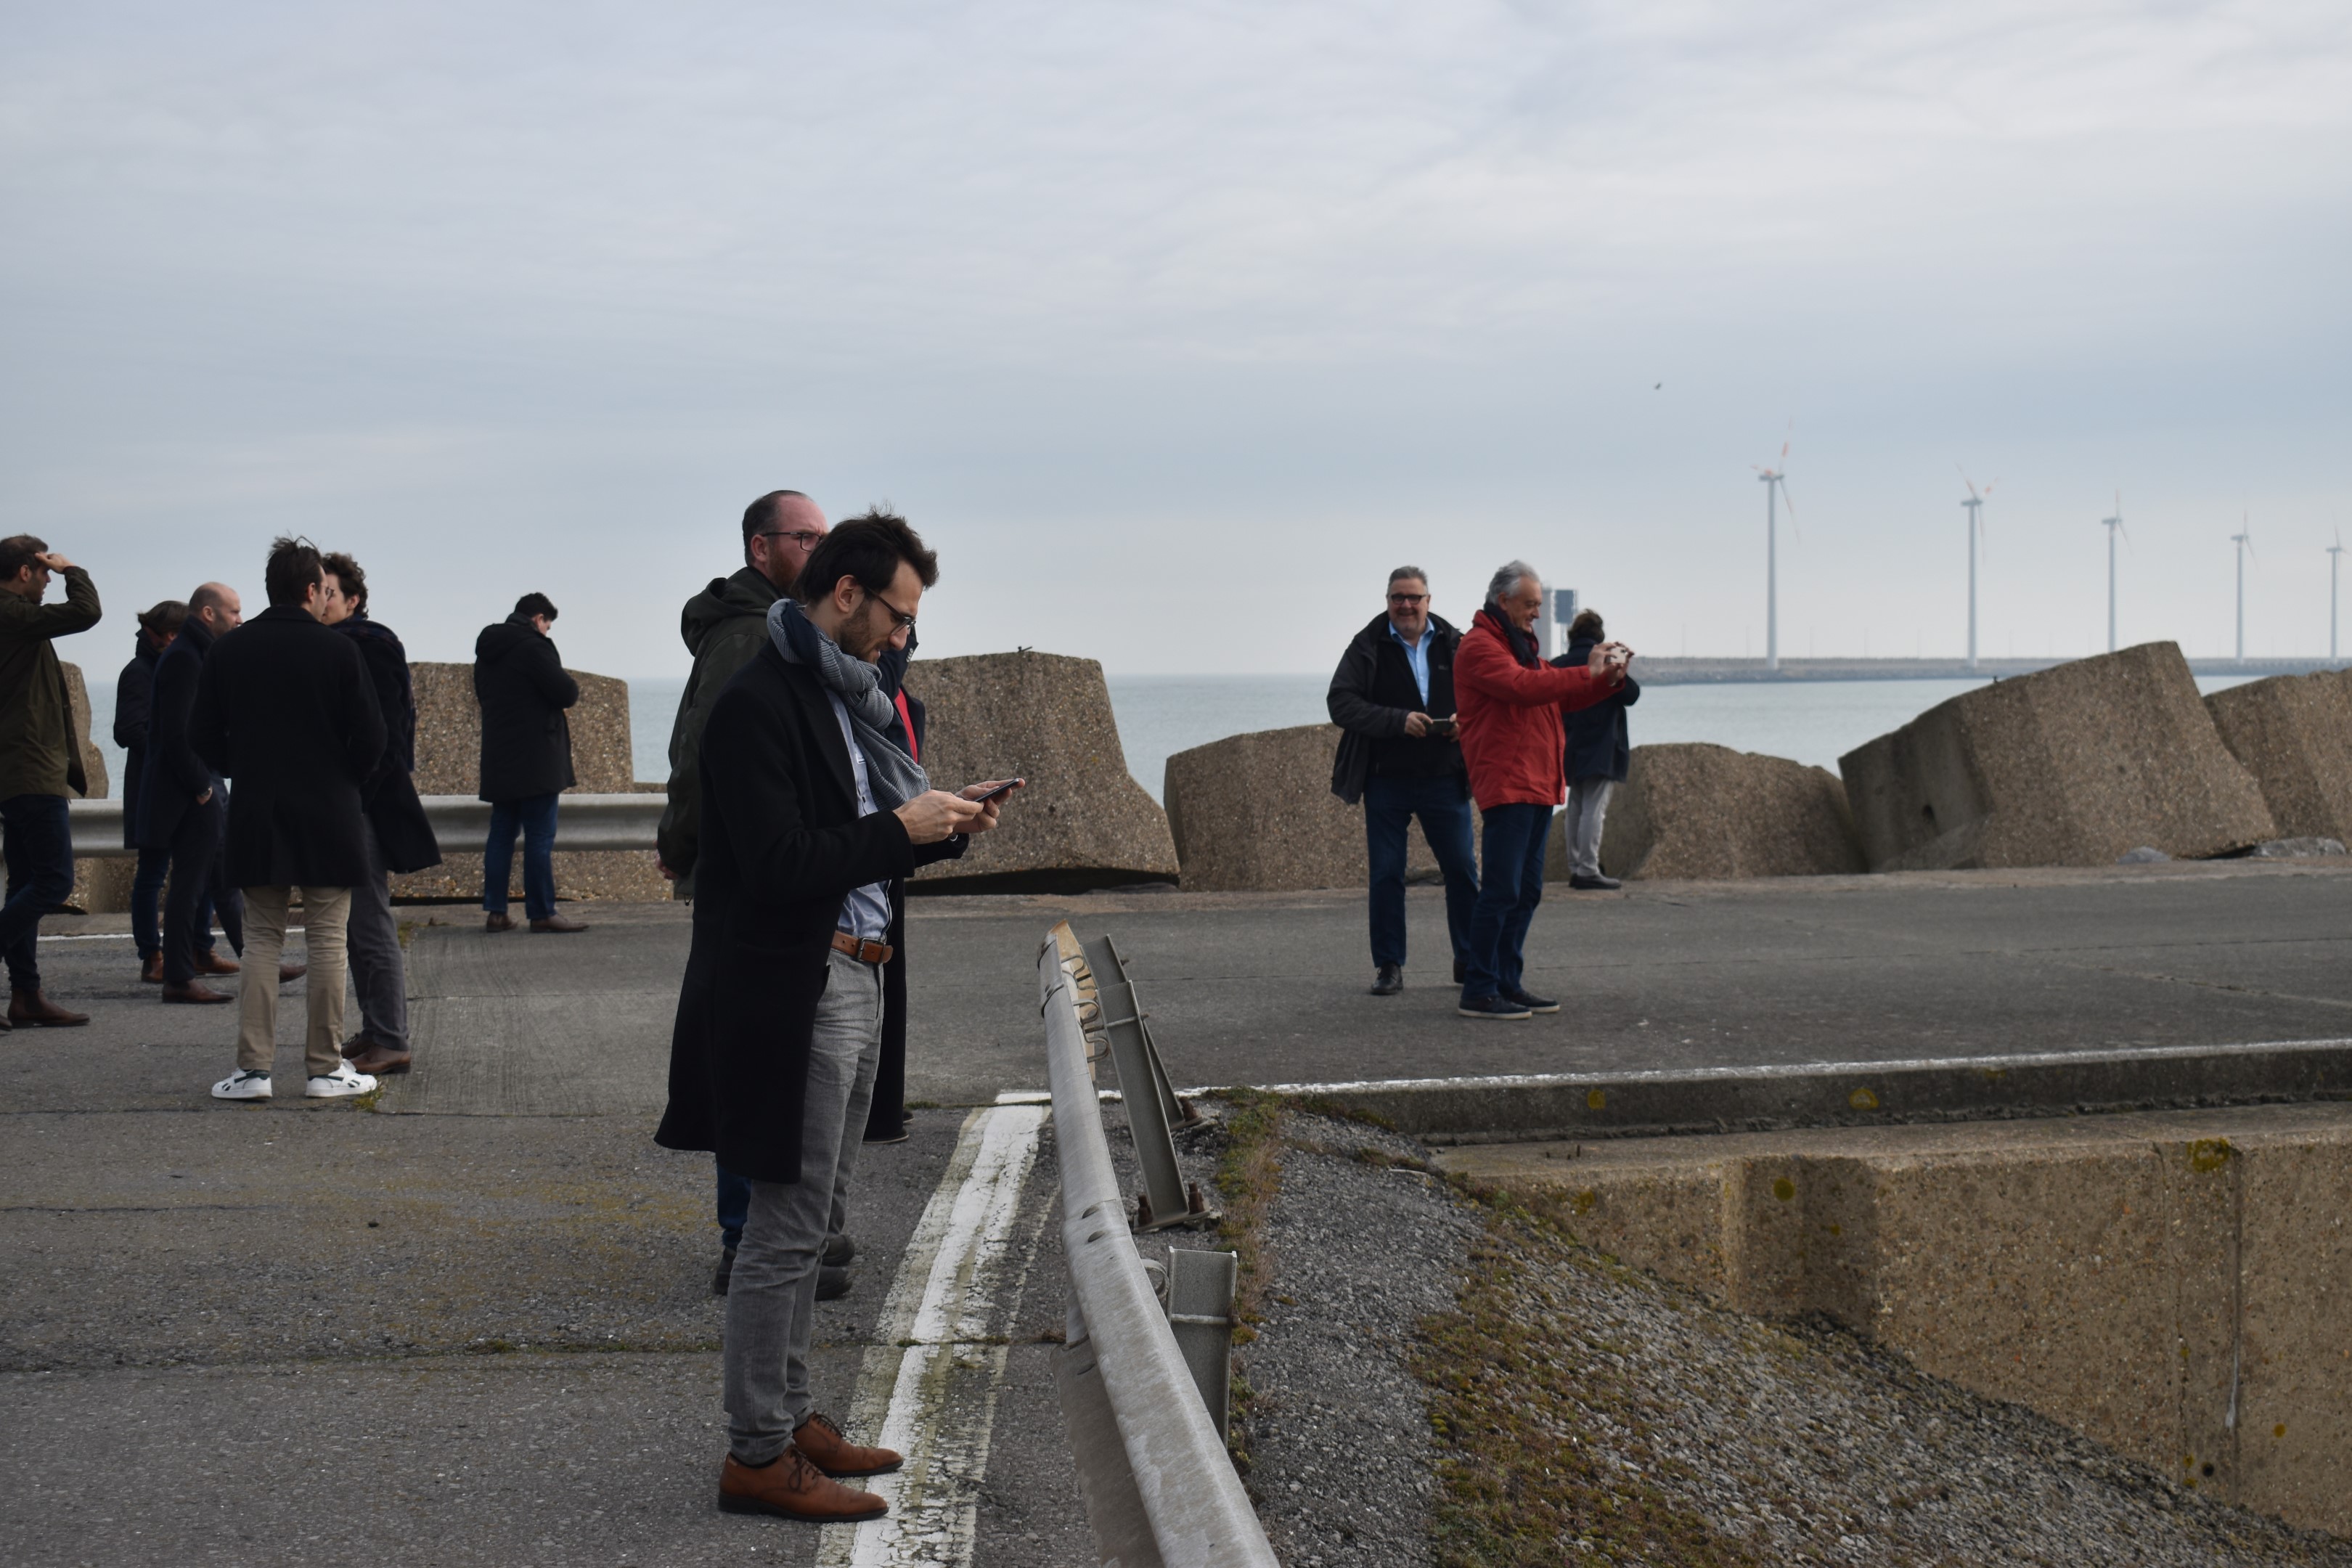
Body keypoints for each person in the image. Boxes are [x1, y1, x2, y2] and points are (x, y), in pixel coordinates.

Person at [655, 512, 1018, 1523]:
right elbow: (778, 865)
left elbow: (858, 842)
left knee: (817, 1220)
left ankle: (790, 1414)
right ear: (846, 594)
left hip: (858, 975)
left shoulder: (844, 696)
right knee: (781, 1230)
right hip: (798, 987)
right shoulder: (756, 701)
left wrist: (944, 827)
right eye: (898, 616)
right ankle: (756, 1453)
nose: (905, 637)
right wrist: (900, 828)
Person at [195, 537, 386, 1101]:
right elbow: (373, 738)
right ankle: (325, 1070)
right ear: (310, 590)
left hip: (258, 807)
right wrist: (344, 778)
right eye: (324, 588)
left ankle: (253, 1072)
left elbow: (200, 734)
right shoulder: (338, 651)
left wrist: (244, 767)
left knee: (261, 939)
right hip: (329, 809)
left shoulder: (229, 650)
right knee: (328, 939)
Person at [1453, 560, 1628, 1021]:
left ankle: (1506, 982)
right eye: (1530, 604)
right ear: (1503, 600)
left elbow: (1558, 694)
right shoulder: (1480, 647)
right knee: (1501, 890)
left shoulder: (1521, 648)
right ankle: (1479, 988)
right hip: (1509, 783)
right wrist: (1587, 671)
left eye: (1538, 605)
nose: (1536, 612)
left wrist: (1607, 679)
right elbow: (1523, 688)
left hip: (1536, 784)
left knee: (1526, 891)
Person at [1327, 565, 1479, 997]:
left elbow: (1485, 699)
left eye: (1414, 597)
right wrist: (1397, 721)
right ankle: (1389, 965)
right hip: (1386, 779)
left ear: (1429, 601)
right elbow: (1340, 702)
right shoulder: (1367, 644)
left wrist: (1465, 722)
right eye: (1398, 597)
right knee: (1387, 875)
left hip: (1444, 777)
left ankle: (1470, 959)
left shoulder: (1455, 643)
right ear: (1388, 601)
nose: (1406, 605)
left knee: (1462, 870)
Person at [320, 552, 439, 1075]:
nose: (321, 600)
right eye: (317, 591)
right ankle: (375, 1030)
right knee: (353, 925)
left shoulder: (370, 645)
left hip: (365, 803)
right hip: (351, 801)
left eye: (330, 592)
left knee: (369, 921)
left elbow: (385, 736)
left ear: (353, 600)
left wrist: (354, 795)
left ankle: (392, 1039)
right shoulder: (337, 646)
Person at [141, 583, 272, 1005]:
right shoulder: (185, 658)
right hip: (194, 790)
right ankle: (179, 978)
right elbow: (177, 733)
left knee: (223, 880)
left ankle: (260, 962)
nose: (240, 619)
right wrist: (201, 787)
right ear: (209, 613)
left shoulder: (198, 653)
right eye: (234, 612)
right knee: (189, 886)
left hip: (204, 784)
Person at [0, 534, 100, 1031]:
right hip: (31, 769)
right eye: (42, 572)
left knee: (24, 882)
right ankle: (26, 992)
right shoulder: (12, 614)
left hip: (19, 768)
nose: (46, 581)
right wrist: (70, 570)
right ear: (25, 572)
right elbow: (87, 612)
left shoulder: (18, 619)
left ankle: (26, 996)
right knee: (55, 880)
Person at [474, 592, 585, 934]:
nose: (547, 631)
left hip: (500, 757)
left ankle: (496, 913)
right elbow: (566, 692)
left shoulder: (488, 649)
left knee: (501, 835)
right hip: (537, 759)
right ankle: (541, 912)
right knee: (539, 836)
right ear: (539, 619)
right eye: (548, 625)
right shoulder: (534, 647)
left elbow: (483, 696)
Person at [115, 600, 184, 984]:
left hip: (181, 784)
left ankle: (197, 947)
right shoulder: (139, 672)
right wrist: (172, 753)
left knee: (202, 869)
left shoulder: (171, 667)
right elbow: (127, 730)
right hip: (153, 787)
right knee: (153, 873)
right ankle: (151, 955)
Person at [1556, 608, 1641, 891]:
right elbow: (1631, 696)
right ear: (1600, 637)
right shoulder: (1607, 662)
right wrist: (1620, 667)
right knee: (1594, 809)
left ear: (1572, 636)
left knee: (1575, 807)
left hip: (1569, 743)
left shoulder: (1559, 664)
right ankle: (1588, 868)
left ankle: (1575, 866)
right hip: (1603, 744)